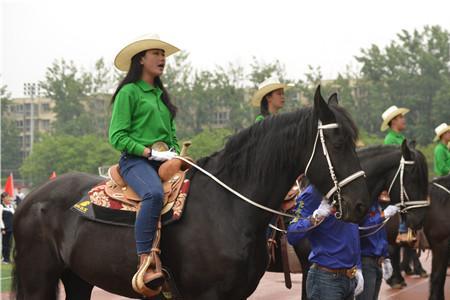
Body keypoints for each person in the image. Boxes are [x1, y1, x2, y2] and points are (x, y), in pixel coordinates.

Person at [109, 34, 181, 294]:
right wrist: (148, 152)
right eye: (156, 53)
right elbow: (116, 136)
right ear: (141, 59)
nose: (162, 58)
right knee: (153, 194)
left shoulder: (161, 95)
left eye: (163, 54)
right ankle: (146, 260)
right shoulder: (129, 92)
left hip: (165, 160)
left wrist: (176, 153)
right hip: (135, 162)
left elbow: (171, 135)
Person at [287, 185, 364, 300]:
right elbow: (292, 234)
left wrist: (358, 266)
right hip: (326, 280)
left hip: (349, 278)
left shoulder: (348, 188)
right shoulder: (312, 193)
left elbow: (352, 232)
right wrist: (316, 217)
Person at [357, 200, 399, 300]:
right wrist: (382, 215)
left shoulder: (376, 204)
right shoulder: (363, 204)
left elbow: (380, 233)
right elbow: (363, 229)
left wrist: (386, 256)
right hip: (366, 261)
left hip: (378, 261)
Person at [1, 192, 15, 264]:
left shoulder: (11, 206)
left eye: (9, 197)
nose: (9, 198)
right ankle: (5, 259)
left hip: (11, 228)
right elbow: (0, 219)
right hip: (5, 229)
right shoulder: (1, 206)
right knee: (5, 244)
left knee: (10, 244)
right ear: (3, 198)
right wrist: (2, 228)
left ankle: (8, 258)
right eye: (7, 197)